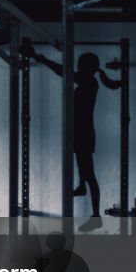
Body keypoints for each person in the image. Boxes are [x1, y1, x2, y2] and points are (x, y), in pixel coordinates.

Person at [23, 46, 120, 232]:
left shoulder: (89, 81)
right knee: (85, 170)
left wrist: (40, 57)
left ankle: (96, 215)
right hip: (80, 131)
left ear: (86, 67)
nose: (77, 67)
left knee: (90, 174)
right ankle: (82, 186)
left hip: (83, 132)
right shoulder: (88, 81)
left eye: (80, 65)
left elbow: (64, 72)